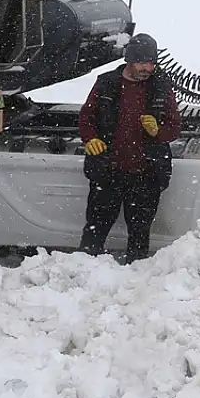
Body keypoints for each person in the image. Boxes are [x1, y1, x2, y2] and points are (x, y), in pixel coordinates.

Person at [78, 33, 181, 264]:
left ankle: (136, 275)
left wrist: (158, 131)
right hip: (108, 171)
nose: (148, 68)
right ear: (129, 60)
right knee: (96, 227)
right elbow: (87, 117)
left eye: (152, 62)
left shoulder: (161, 87)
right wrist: (90, 138)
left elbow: (174, 127)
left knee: (140, 231)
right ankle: (84, 268)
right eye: (142, 62)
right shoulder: (106, 83)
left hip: (146, 175)